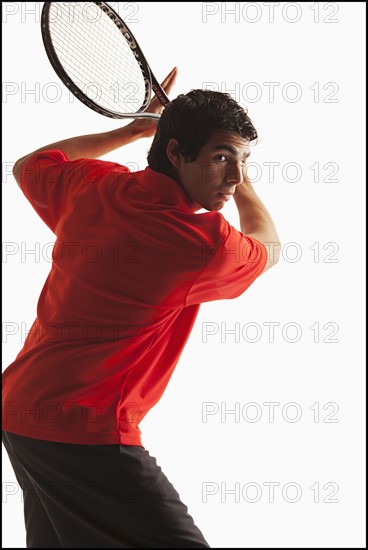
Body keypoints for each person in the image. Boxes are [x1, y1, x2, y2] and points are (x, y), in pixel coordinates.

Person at [2, 67, 281, 548]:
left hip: (20, 411)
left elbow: (32, 162)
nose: (233, 177)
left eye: (243, 162)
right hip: (86, 432)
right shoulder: (200, 244)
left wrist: (131, 129)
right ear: (176, 152)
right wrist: (250, 187)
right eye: (222, 158)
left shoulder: (91, 186)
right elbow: (269, 249)